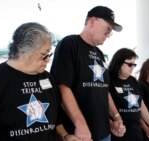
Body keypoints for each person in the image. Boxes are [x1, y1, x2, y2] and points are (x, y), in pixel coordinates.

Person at [0, 22, 77, 141]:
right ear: (23, 51)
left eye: (49, 54)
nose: (48, 59)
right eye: (43, 54)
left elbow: (57, 117)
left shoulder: (47, 78)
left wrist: (65, 136)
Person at [50, 6, 126, 141]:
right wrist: (80, 123)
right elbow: (62, 86)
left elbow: (104, 89)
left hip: (104, 132)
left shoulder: (100, 54)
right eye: (107, 29)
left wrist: (116, 117)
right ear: (92, 22)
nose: (108, 35)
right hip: (79, 135)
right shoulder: (70, 44)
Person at [108, 48, 149, 141]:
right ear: (118, 62)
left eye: (134, 64)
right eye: (130, 64)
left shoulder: (132, 80)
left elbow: (140, 104)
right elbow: (102, 107)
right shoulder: (109, 79)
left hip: (136, 131)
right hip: (117, 132)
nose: (132, 67)